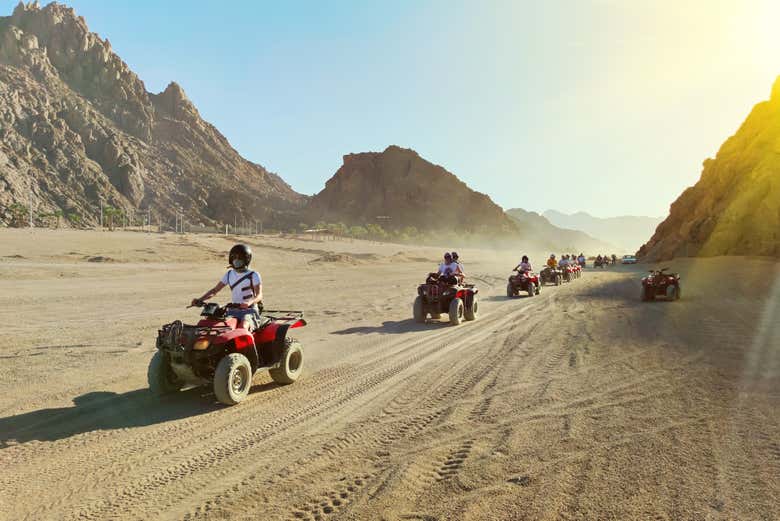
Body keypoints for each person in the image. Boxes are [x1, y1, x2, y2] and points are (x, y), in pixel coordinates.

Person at [191, 244, 263, 330]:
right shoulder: (229, 274)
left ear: (246, 259)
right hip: (233, 311)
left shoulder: (253, 275)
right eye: (234, 257)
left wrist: (249, 303)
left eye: (240, 258)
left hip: (249, 311)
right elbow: (215, 290)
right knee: (217, 326)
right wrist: (200, 300)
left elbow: (259, 296)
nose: (236, 260)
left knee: (243, 327)